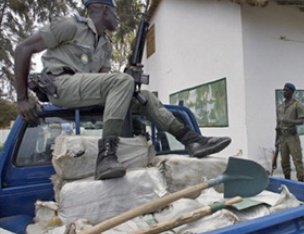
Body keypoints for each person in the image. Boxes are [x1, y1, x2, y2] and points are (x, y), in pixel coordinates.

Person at [13, 0, 231, 180]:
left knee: (143, 96)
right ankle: (106, 155)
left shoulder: (105, 44)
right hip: (61, 85)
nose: (117, 18)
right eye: (115, 12)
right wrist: (22, 98)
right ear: (104, 9)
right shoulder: (71, 26)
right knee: (122, 82)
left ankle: (191, 140)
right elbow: (23, 48)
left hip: (85, 91)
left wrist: (130, 72)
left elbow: (104, 80)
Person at [276, 82, 304, 181]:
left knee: (297, 160)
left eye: (287, 90)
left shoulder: (297, 105)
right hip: (282, 136)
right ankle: (288, 180)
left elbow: (301, 121)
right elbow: (278, 125)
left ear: (292, 92)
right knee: (284, 161)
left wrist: (290, 121)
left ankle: (301, 181)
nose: (284, 92)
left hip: (292, 136)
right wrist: (276, 140)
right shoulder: (280, 107)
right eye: (283, 90)